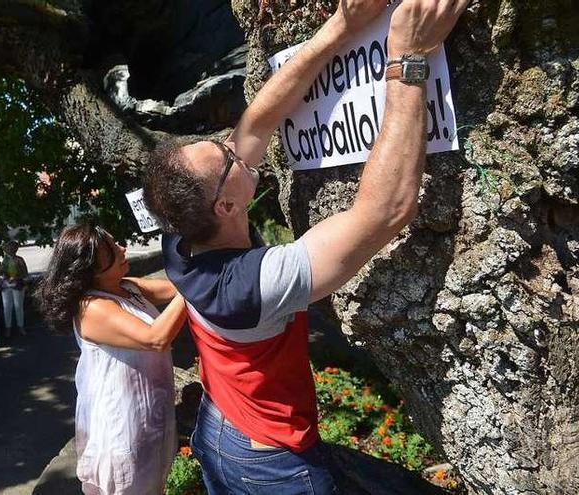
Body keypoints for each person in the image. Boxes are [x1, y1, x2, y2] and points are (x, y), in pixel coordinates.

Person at [142, 0, 469, 492]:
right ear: (227, 207)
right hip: (270, 464)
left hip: (218, 429)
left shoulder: (185, 232)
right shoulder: (254, 284)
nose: (236, 147)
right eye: (226, 158)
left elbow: (255, 124)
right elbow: (385, 211)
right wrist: (407, 58)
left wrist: (341, 26)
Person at [35, 224, 187, 494]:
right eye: (113, 252)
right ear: (91, 269)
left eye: (116, 244)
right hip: (122, 425)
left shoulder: (128, 287)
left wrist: (200, 266)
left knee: (154, 485)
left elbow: (177, 289)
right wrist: (196, 283)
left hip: (150, 415)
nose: (123, 250)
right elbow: (156, 337)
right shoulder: (91, 307)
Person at [0, 240, 28, 337]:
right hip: (6, 286)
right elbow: (2, 273)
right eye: (8, 248)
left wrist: (17, 277)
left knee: (18, 307)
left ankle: (21, 326)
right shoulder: (5, 260)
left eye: (12, 248)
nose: (9, 250)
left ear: (15, 249)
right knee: (7, 307)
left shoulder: (19, 260)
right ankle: (8, 328)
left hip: (17, 285)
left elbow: (25, 274)